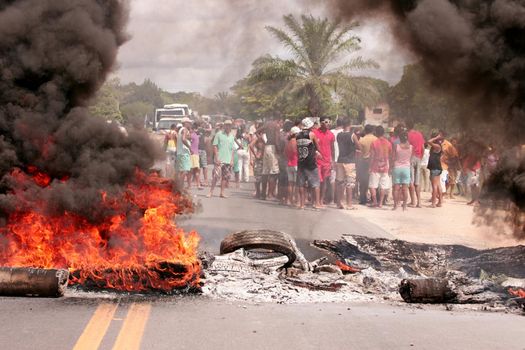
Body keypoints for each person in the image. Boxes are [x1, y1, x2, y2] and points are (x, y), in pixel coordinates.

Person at [297, 118, 322, 209]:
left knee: (301, 184)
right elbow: (318, 147)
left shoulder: (298, 135)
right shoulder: (312, 134)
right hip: (311, 162)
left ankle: (302, 204)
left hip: (301, 162)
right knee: (315, 184)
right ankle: (317, 203)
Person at [335, 117, 359, 210]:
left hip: (340, 160)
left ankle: (339, 203)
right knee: (350, 183)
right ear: (350, 124)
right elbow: (359, 146)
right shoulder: (352, 135)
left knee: (340, 183)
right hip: (350, 161)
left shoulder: (339, 135)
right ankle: (349, 204)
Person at [209, 120, 235, 198]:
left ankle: (222, 192)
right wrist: (216, 158)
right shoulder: (219, 134)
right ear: (224, 126)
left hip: (228, 160)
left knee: (225, 177)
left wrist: (232, 160)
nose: (228, 127)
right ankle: (211, 192)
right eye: (227, 125)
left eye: (229, 125)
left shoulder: (231, 136)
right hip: (219, 159)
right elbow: (215, 146)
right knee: (215, 176)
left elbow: (232, 149)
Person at [368, 126, 392, 208]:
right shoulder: (388, 143)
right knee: (383, 186)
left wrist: (370, 167)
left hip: (375, 166)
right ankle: (381, 203)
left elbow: (372, 156)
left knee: (372, 185)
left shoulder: (374, 143)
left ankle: (374, 202)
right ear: (383, 133)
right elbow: (390, 155)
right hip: (385, 167)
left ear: (376, 133)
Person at [314, 116, 335, 206]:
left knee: (324, 182)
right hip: (317, 161)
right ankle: (316, 200)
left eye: (329, 122)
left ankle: (321, 200)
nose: (328, 123)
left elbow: (332, 148)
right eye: (326, 122)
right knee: (317, 181)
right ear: (321, 123)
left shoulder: (331, 134)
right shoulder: (314, 133)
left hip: (327, 161)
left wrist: (332, 161)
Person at [260, 117, 281, 200]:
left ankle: (263, 194)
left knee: (265, 172)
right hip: (272, 148)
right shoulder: (276, 126)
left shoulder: (267, 124)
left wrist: (263, 141)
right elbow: (276, 140)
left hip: (267, 147)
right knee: (274, 172)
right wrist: (279, 150)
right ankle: (270, 194)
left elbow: (257, 131)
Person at [392, 129, 412, 211]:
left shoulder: (396, 146)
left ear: (399, 138)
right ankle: (404, 206)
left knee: (396, 188)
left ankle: (395, 206)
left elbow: (393, 157)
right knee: (405, 189)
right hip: (406, 168)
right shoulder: (411, 147)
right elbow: (410, 157)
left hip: (397, 167)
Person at [357, 125, 377, 205]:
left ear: (365, 130)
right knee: (374, 181)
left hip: (364, 161)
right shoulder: (376, 139)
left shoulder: (362, 140)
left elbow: (360, 153)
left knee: (363, 181)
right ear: (372, 130)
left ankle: (363, 199)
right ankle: (374, 198)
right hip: (374, 161)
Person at [407, 121, 425, 208]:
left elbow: (407, 147)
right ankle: (419, 202)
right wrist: (421, 157)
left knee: (411, 180)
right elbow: (423, 148)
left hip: (411, 157)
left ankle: (413, 202)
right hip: (418, 157)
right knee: (417, 182)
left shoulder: (408, 135)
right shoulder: (419, 134)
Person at [427, 131, 444, 208]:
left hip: (435, 167)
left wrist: (437, 137)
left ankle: (434, 203)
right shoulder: (437, 146)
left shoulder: (437, 146)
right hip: (436, 167)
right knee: (438, 185)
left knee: (434, 186)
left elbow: (429, 141)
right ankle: (440, 202)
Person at [285, 126, 300, 206]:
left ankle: (289, 200)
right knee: (297, 184)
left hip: (289, 164)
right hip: (296, 163)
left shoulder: (288, 142)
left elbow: (285, 153)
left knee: (290, 184)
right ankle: (296, 200)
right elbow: (296, 151)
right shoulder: (296, 142)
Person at [176, 118, 192, 188]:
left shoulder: (180, 130)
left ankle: (178, 185)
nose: (190, 124)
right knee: (185, 171)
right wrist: (189, 148)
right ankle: (180, 186)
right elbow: (183, 139)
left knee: (180, 171)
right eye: (189, 122)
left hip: (180, 153)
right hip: (184, 153)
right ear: (185, 123)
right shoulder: (184, 129)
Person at [249, 130, 265, 199]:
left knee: (264, 177)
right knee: (258, 177)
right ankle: (258, 193)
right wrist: (255, 155)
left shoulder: (263, 140)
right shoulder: (257, 140)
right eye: (260, 133)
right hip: (259, 159)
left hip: (264, 159)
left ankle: (262, 193)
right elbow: (251, 145)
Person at [189, 122, 201, 188]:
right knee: (196, 170)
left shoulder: (192, 135)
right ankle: (198, 185)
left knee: (190, 171)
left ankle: (190, 185)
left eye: (190, 129)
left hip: (192, 154)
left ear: (192, 129)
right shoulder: (196, 136)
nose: (189, 130)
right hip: (196, 154)